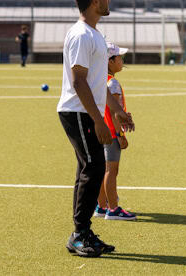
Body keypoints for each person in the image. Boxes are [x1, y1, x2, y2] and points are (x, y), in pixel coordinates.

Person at [59, 0, 134, 258]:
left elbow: (99, 81)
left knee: (88, 168)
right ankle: (79, 234)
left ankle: (83, 232)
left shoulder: (94, 34)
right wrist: (99, 120)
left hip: (86, 112)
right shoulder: (81, 34)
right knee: (93, 167)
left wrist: (117, 111)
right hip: (78, 111)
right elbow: (78, 81)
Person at [94, 42, 135, 221]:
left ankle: (101, 206)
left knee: (104, 170)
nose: (121, 60)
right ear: (109, 61)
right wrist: (120, 135)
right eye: (118, 57)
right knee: (112, 170)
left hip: (99, 131)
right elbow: (114, 112)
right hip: (111, 134)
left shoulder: (99, 82)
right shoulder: (113, 84)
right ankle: (113, 208)